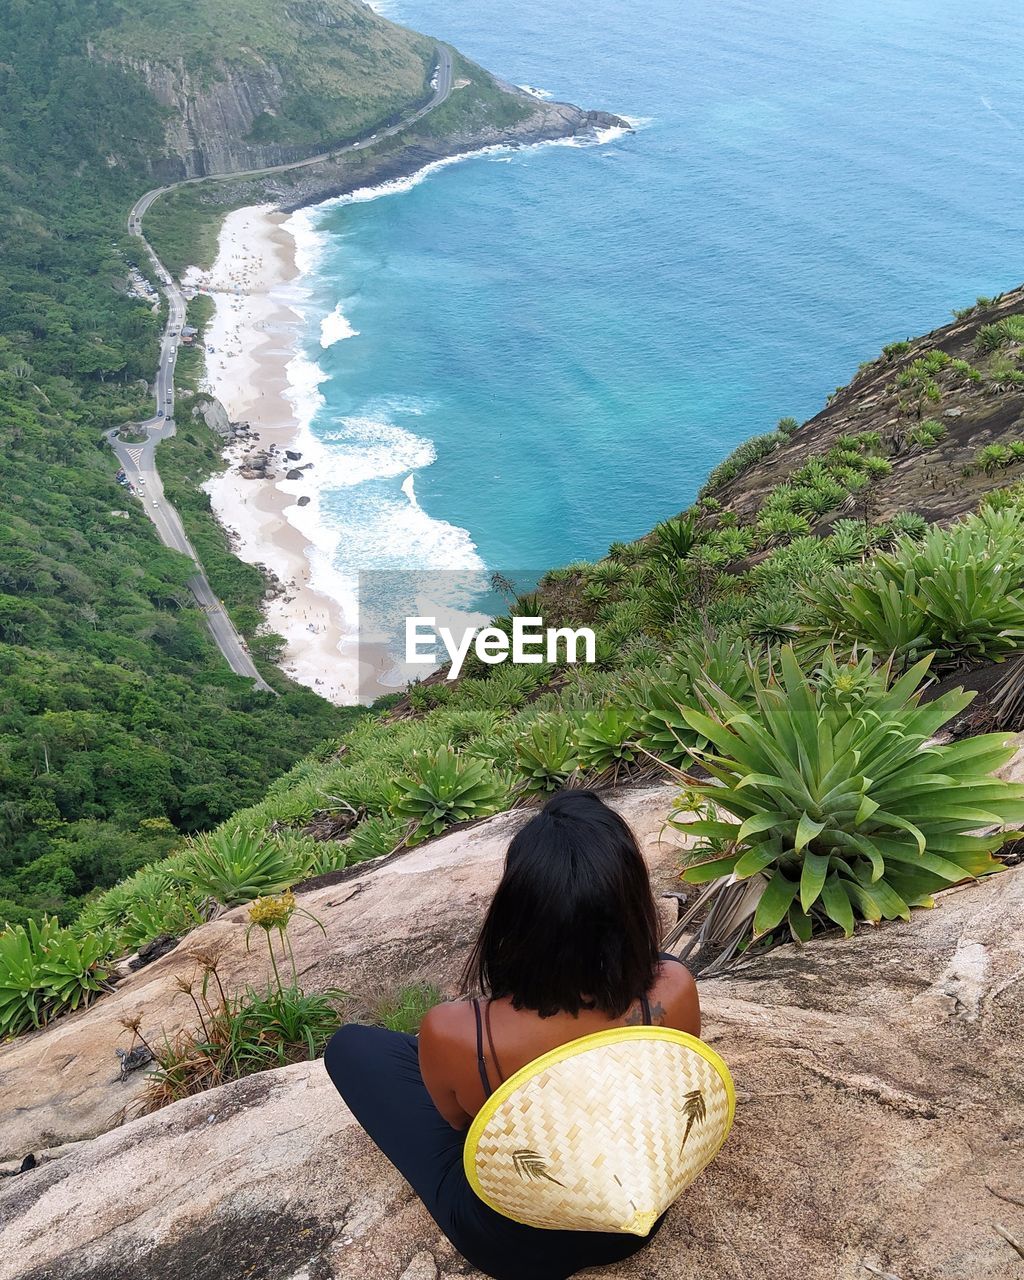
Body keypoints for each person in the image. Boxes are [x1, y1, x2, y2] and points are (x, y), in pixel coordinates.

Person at [324, 789, 701, 1280]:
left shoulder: (456, 1030)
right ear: (631, 904)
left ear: (516, 914)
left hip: (516, 1243)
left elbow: (460, 1125)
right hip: (636, 1212)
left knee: (350, 1047)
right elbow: (673, 1085)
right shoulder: (673, 988)